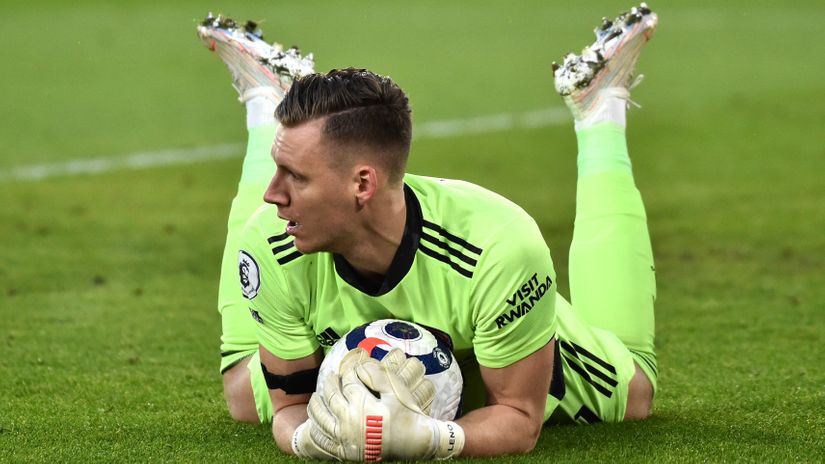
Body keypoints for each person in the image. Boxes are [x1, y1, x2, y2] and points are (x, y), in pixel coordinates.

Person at [198, 2, 659, 459]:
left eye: (295, 177)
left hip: (493, 336)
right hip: (349, 341)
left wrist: (434, 439)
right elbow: (291, 406)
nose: (271, 194)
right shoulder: (271, 242)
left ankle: (600, 110)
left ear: (362, 184)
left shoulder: (498, 248)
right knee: (243, 399)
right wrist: (310, 441)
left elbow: (518, 417)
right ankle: (267, 102)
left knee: (635, 396)